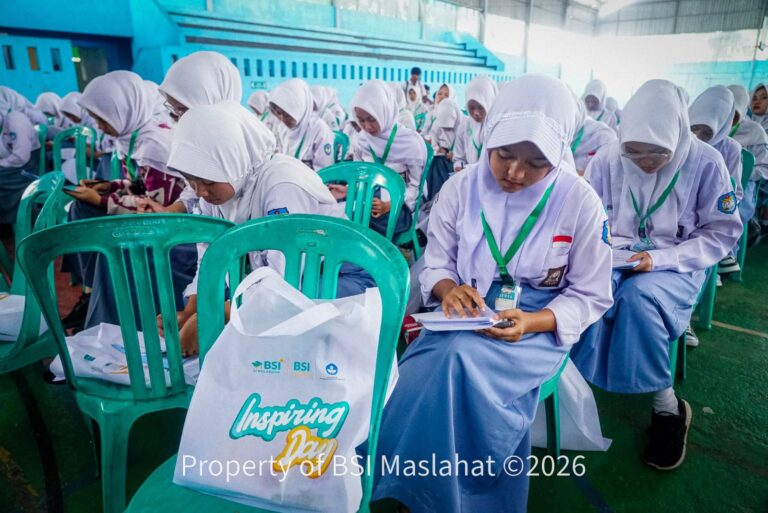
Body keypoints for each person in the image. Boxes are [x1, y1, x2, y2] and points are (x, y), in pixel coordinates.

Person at [371, 74, 613, 513]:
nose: (515, 173)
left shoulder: (580, 201)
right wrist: (448, 290)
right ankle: (418, 485)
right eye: (503, 155)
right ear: (489, 138)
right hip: (466, 309)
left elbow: (592, 293)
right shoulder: (461, 188)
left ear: (558, 155)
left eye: (536, 162)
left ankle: (431, 490)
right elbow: (439, 262)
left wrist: (535, 321)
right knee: (427, 365)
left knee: (453, 362)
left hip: (537, 324)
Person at [570, 79, 742, 471]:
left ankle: (667, 408)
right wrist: (607, 250)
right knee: (586, 289)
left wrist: (660, 259)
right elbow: (588, 215)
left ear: (677, 135)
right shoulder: (609, 159)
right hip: (618, 254)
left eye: (657, 153)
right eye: (635, 151)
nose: (645, 161)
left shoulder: (706, 161)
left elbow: (721, 231)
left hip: (678, 262)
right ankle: (574, 388)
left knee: (640, 298)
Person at [162, 101, 374, 355]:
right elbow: (210, 256)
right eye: (191, 181)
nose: (200, 192)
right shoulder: (215, 194)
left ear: (233, 163)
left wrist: (220, 313)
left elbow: (285, 280)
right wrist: (192, 310)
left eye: (207, 181)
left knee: (277, 316)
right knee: (241, 313)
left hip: (341, 276)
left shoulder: (281, 185)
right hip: (289, 276)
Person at [60, 71, 188, 329]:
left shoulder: (154, 145)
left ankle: (111, 323)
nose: (98, 125)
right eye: (96, 118)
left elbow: (154, 209)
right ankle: (91, 290)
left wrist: (100, 199)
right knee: (80, 208)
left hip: (174, 228)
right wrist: (110, 186)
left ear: (124, 109)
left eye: (102, 117)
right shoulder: (132, 138)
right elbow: (139, 184)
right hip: (155, 217)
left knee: (115, 248)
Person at [344, 80, 427, 238]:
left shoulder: (410, 143)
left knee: (362, 225)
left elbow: (416, 188)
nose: (367, 127)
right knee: (345, 216)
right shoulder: (362, 140)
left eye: (372, 119)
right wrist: (348, 190)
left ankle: (373, 258)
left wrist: (389, 205)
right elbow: (360, 177)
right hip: (367, 201)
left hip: (397, 207)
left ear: (384, 111)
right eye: (361, 120)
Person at [689, 85, 743, 283]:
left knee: (709, 234)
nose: (699, 137)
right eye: (694, 129)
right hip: (680, 206)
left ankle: (710, 269)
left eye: (707, 131)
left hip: (712, 206)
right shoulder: (678, 140)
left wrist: (711, 212)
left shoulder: (731, 149)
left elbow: (734, 192)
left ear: (722, 125)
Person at [727, 84, 768, 237]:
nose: (757, 102)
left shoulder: (755, 131)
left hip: (744, 185)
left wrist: (739, 174)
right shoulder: (712, 129)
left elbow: (763, 167)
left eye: (764, 98)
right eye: (754, 98)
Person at [269, 78, 335, 172]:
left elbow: (324, 171)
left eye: (288, 115)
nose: (283, 119)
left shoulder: (319, 129)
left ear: (299, 110)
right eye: (279, 114)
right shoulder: (283, 128)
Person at [0, 111, 40, 225]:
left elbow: (21, 157)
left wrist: (2, 162)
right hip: (10, 165)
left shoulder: (16, 122)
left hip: (26, 168)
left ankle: (16, 225)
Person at [453, 75, 497, 172]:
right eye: (471, 108)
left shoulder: (497, 128)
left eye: (481, 107)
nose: (476, 113)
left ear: (489, 103)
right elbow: (458, 158)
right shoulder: (465, 126)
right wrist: (458, 166)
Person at [571, 91, 617, 176]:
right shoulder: (572, 129)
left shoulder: (604, 136)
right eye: (588, 101)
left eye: (594, 101)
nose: (590, 105)